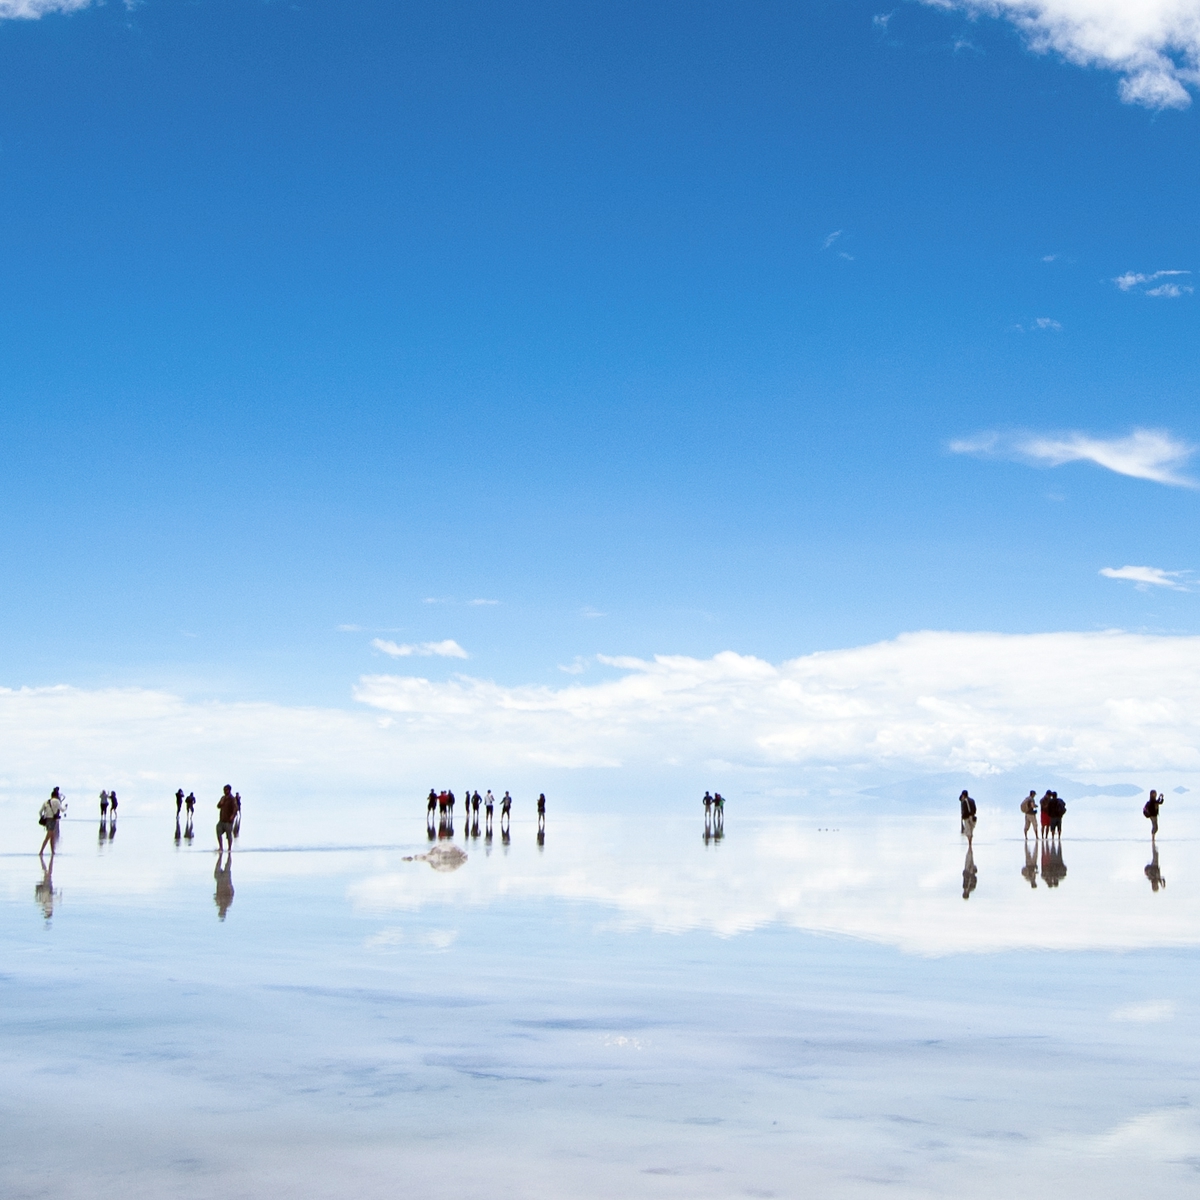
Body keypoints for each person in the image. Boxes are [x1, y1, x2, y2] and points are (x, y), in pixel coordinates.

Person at [39, 787, 65, 862]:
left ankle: (53, 852)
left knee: (52, 837)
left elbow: (40, 812)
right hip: (52, 820)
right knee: (48, 837)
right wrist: (66, 807)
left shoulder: (46, 801)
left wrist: (43, 818)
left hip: (47, 820)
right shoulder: (57, 801)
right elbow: (62, 810)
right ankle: (41, 851)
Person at [216, 785, 238, 851]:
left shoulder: (232, 799)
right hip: (222, 820)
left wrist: (232, 816)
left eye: (226, 790)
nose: (224, 791)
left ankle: (229, 848)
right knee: (218, 831)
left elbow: (235, 808)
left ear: (229, 790)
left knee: (229, 835)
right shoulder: (223, 798)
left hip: (228, 821)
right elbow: (218, 806)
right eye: (224, 790)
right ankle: (221, 847)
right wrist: (221, 803)